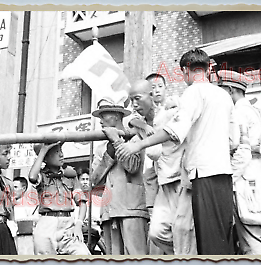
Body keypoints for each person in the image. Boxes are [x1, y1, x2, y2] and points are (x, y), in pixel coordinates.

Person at [116, 48, 238, 255]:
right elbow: (233, 140)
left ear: (185, 71)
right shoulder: (224, 96)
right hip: (224, 173)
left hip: (202, 173)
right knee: (219, 236)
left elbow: (175, 131)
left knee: (200, 238)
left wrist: (137, 145)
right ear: (208, 69)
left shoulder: (191, 93)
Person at [128, 80, 196, 255]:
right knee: (157, 233)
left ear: (152, 95)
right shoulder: (141, 121)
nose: (134, 104)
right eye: (132, 100)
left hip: (182, 181)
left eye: (137, 98)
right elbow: (131, 121)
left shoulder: (172, 109)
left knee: (184, 232)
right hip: (164, 183)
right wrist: (142, 126)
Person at [218, 70, 261, 255]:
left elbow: (242, 151)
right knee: (256, 239)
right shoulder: (255, 113)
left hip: (245, 183)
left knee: (251, 245)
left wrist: (228, 179)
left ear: (229, 90)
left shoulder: (238, 113)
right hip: (259, 183)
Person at [90, 99, 149, 255]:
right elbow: (94, 180)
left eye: (104, 115)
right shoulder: (101, 147)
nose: (101, 120)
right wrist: (108, 153)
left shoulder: (135, 138)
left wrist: (116, 141)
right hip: (109, 210)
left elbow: (132, 166)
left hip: (132, 208)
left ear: (116, 115)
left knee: (137, 255)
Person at [28, 142, 91, 255]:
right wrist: (43, 150)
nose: (61, 155)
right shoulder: (41, 176)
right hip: (47, 224)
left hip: (68, 225)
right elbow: (32, 177)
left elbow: (82, 203)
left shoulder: (70, 175)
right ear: (46, 158)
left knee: (83, 254)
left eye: (61, 151)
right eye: (56, 152)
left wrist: (78, 225)